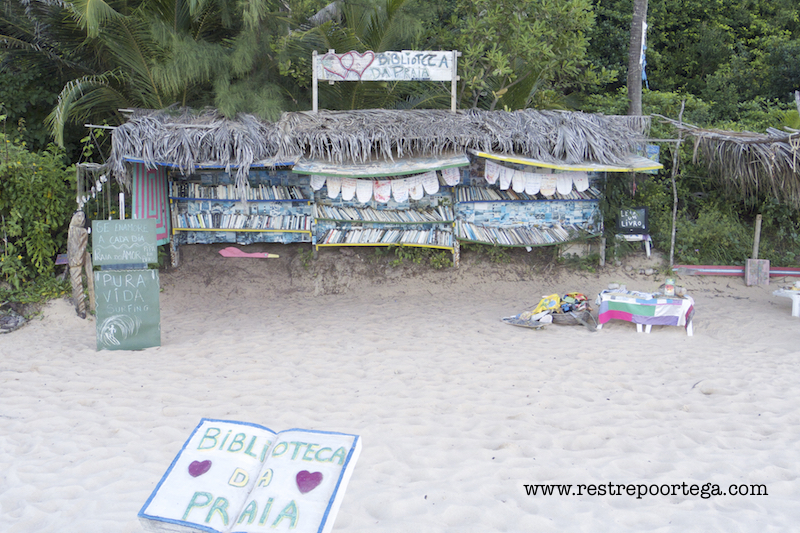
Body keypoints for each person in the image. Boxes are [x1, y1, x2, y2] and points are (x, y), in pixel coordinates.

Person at [67, 210, 95, 318]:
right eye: (78, 216)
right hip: (72, 260)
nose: (80, 219)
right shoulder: (71, 229)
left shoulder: (82, 232)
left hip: (77, 261)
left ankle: (82, 309)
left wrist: (77, 258)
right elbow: (70, 246)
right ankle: (79, 307)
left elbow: (82, 247)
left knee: (77, 283)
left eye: (82, 217)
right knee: (75, 284)